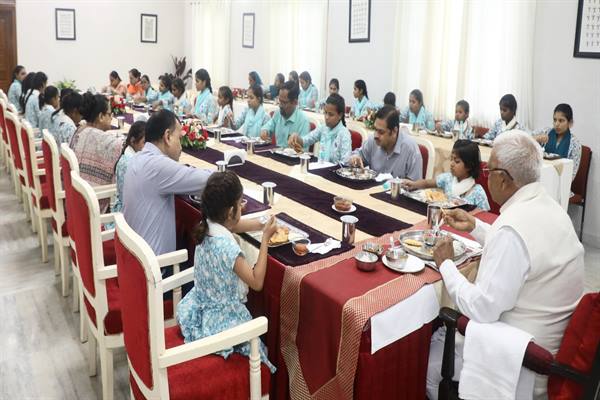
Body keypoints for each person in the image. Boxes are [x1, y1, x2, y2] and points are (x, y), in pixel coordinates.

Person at [426, 130, 584, 400]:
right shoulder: (549, 207)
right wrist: (476, 226)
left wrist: (447, 265)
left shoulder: (511, 229)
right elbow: (523, 251)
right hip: (550, 349)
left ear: (503, 178)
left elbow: (482, 308)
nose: (485, 176)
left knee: (430, 362)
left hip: (523, 362)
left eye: (488, 170)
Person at [176, 171, 277, 373]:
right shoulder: (228, 248)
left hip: (201, 307)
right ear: (231, 211)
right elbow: (257, 282)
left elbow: (234, 226)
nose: (242, 207)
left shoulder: (206, 226)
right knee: (261, 349)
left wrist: (260, 225)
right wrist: (265, 239)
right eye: (240, 204)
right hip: (223, 321)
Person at [122, 110, 212, 256]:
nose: (181, 146)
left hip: (134, 258)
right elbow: (209, 181)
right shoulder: (158, 165)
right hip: (156, 265)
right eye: (179, 138)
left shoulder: (137, 158)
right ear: (168, 136)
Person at [401, 140, 490, 210]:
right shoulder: (448, 178)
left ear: (469, 166)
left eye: (457, 161)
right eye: (451, 159)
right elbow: (427, 183)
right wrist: (414, 184)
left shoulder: (477, 192)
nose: (451, 164)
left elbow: (484, 216)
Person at [346, 105, 422, 180]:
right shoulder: (373, 140)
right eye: (375, 129)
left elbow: (415, 184)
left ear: (394, 131)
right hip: (372, 187)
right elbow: (358, 154)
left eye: (381, 132)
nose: (376, 135)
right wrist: (355, 158)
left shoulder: (411, 149)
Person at [69, 93, 124, 190]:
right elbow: (124, 149)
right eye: (109, 114)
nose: (112, 117)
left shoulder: (80, 130)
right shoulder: (104, 140)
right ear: (101, 116)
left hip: (77, 191)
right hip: (93, 195)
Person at [288, 93, 352, 164]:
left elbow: (346, 163)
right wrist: (296, 138)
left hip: (335, 170)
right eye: (325, 112)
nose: (326, 117)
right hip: (320, 167)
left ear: (340, 115)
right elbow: (305, 141)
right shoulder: (323, 128)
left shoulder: (344, 134)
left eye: (331, 114)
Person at [533, 103, 581, 180]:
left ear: (570, 123)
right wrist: (537, 138)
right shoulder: (546, 132)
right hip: (540, 177)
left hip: (561, 182)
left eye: (561, 121)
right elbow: (524, 140)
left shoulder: (574, 144)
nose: (556, 124)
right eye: (555, 120)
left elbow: (572, 174)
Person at [260, 80, 310, 147]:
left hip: (293, 154)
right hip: (277, 152)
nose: (280, 105)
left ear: (295, 102)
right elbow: (268, 126)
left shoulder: (303, 121)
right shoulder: (278, 113)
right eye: (279, 101)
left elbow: (303, 150)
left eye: (284, 102)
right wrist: (265, 131)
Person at [113, 121, 146, 216]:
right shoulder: (129, 164)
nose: (147, 147)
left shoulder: (129, 157)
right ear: (133, 141)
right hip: (126, 215)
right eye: (144, 143)